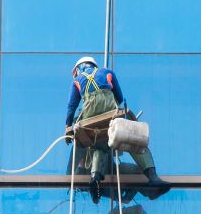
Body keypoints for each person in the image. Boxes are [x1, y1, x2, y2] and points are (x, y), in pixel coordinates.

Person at [65, 56, 170, 203]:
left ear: (79, 68)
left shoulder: (76, 81)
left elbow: (71, 106)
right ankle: (153, 177)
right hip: (110, 114)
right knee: (134, 141)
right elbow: (119, 97)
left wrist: (67, 127)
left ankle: (95, 178)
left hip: (89, 119)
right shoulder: (106, 72)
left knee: (99, 145)